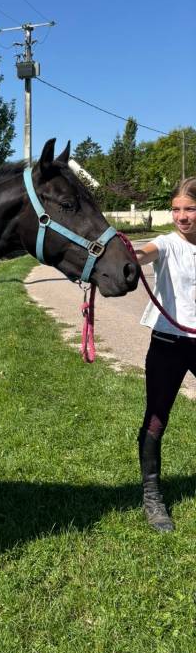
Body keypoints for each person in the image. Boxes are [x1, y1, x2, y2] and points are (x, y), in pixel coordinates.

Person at [134, 178, 196, 531]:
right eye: (175, 209)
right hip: (168, 344)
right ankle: (152, 496)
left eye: (189, 208)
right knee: (156, 420)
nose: (181, 217)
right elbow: (144, 254)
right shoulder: (166, 243)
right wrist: (128, 253)